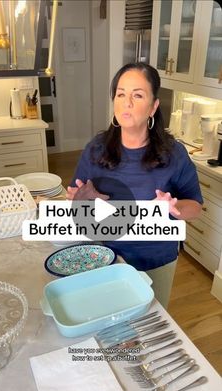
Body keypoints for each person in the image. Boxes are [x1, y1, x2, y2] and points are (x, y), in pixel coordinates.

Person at [66, 62, 203, 309]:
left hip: (156, 260)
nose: (126, 102)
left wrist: (174, 208)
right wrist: (78, 200)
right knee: (110, 323)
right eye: (121, 94)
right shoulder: (95, 149)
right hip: (105, 257)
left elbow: (195, 208)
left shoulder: (175, 154)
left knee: (148, 322)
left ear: (153, 107)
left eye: (137, 95)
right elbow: (78, 206)